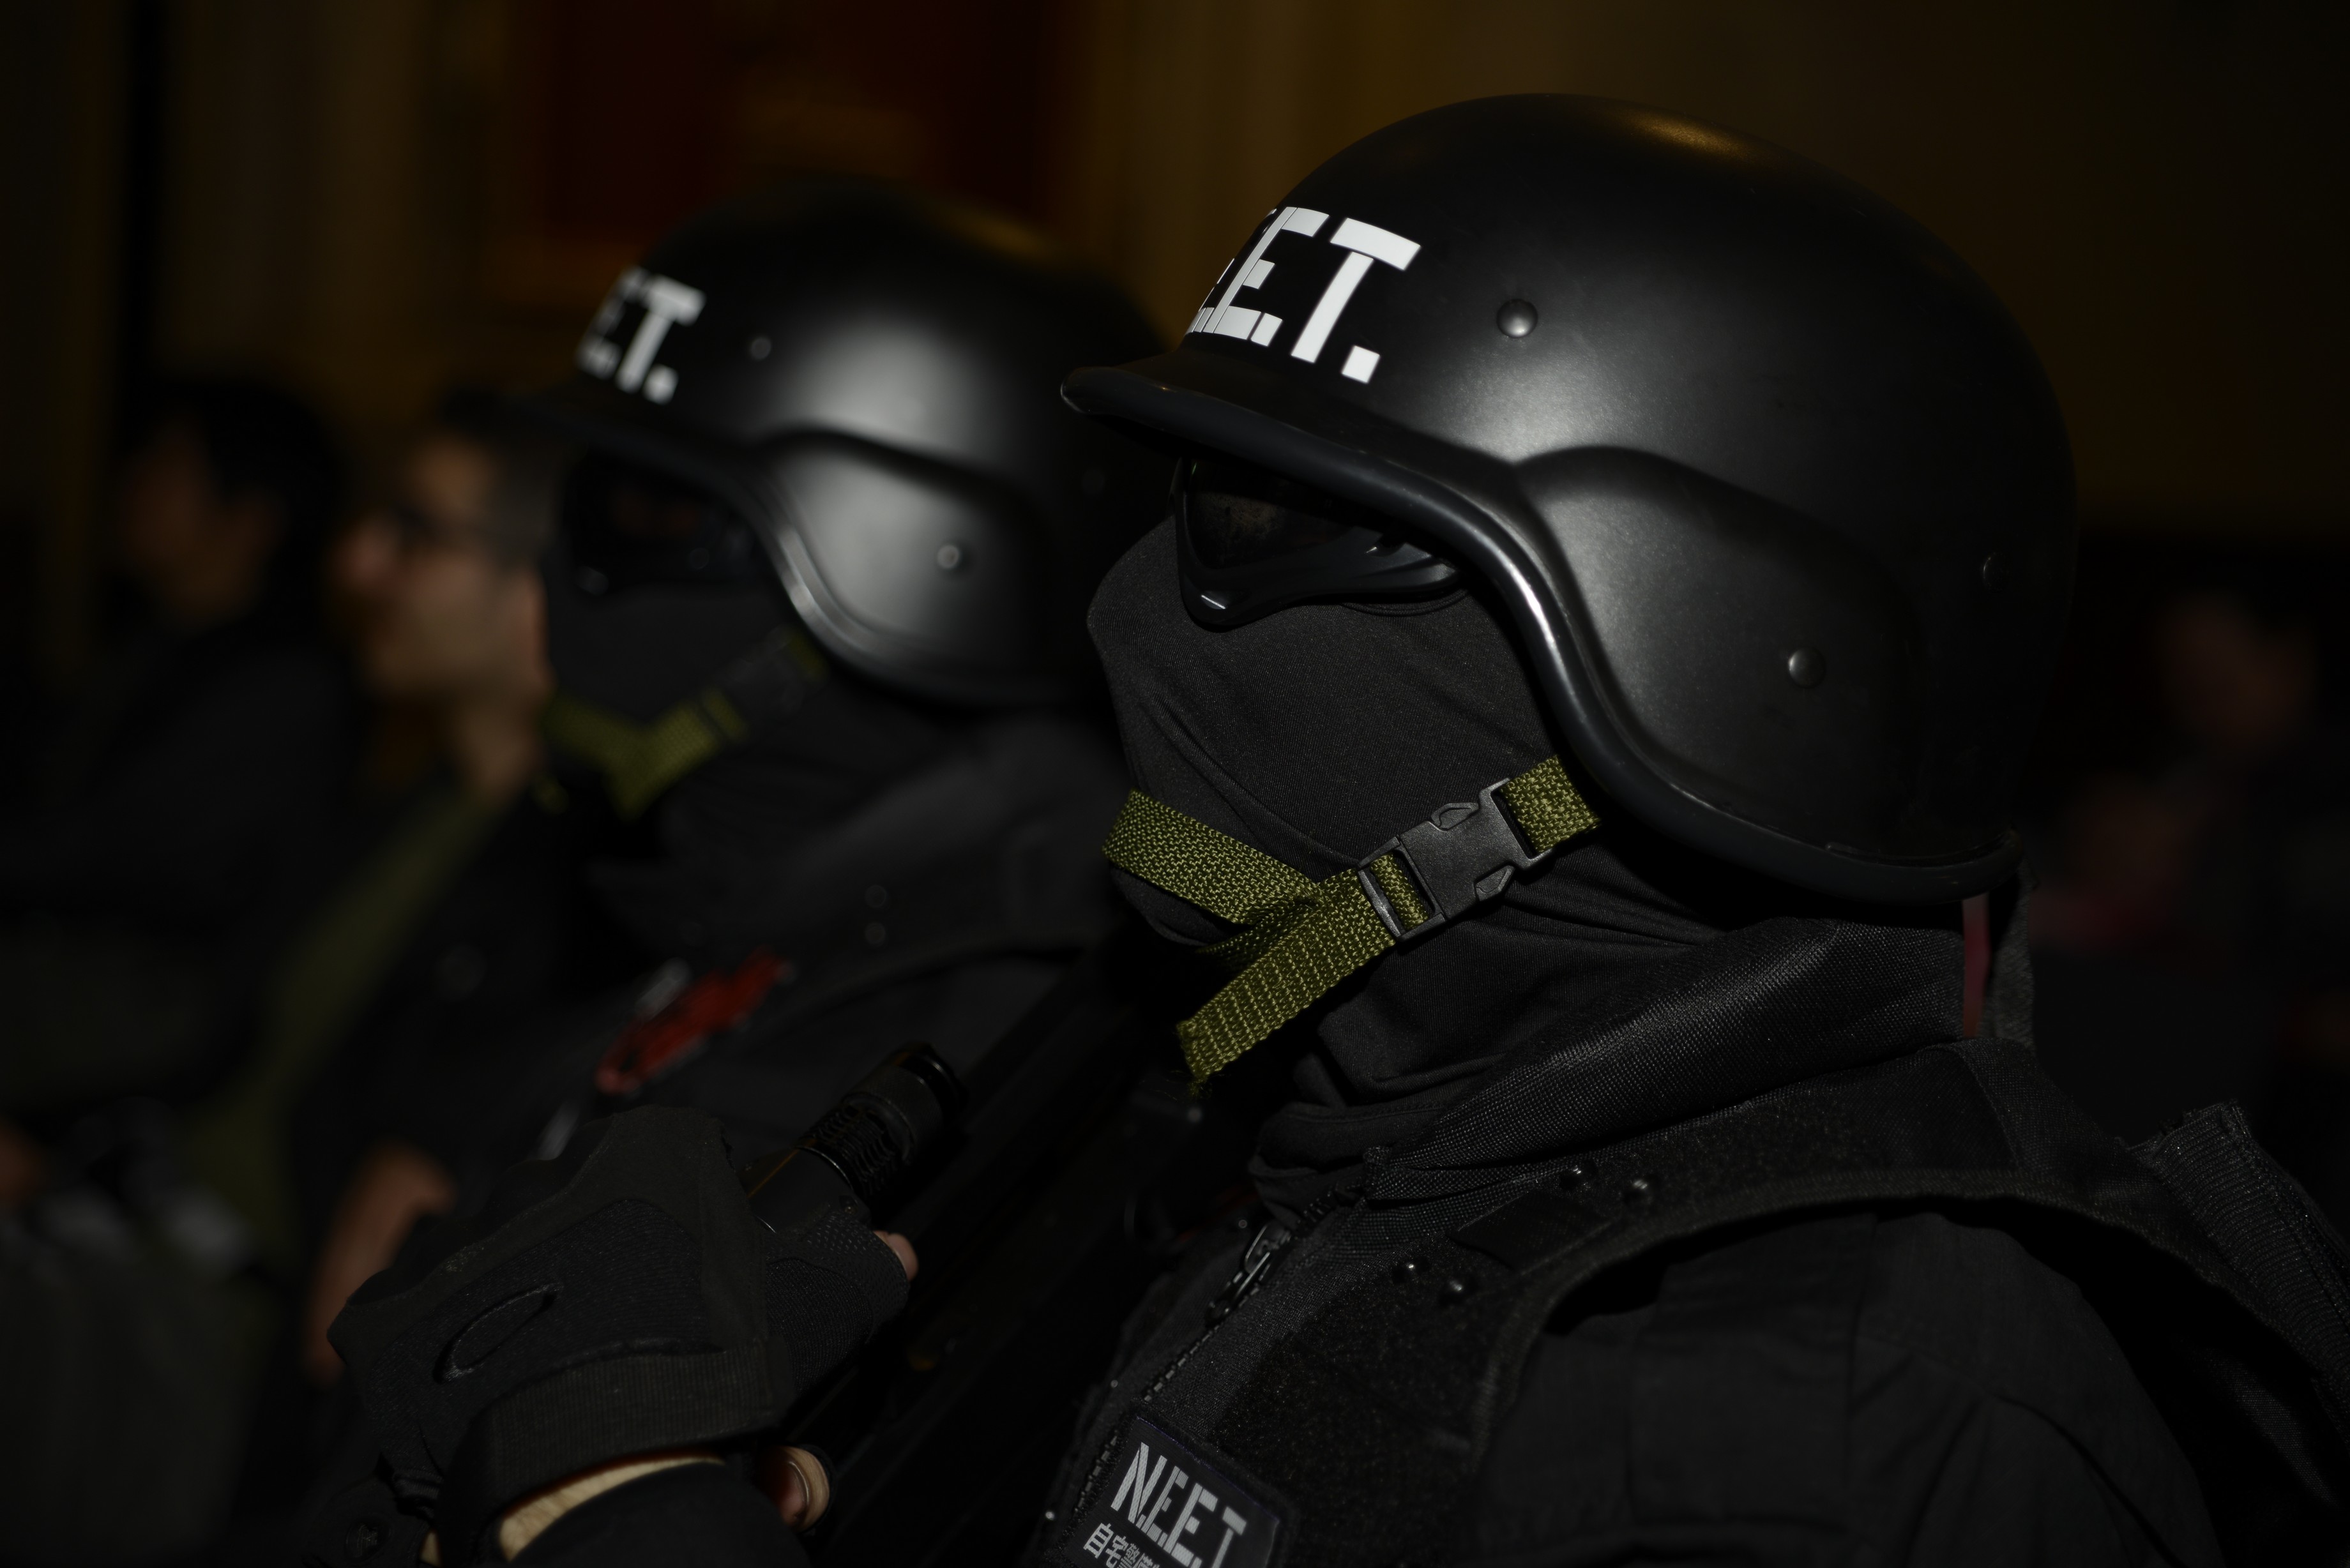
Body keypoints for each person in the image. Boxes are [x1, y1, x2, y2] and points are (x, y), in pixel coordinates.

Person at [317, 101, 2350, 1567]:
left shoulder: (1821, 1416)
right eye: (1189, 502)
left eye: (1271, 532)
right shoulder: (1363, 1098)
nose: (1137, 618)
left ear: (1703, 667)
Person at [0, 396, 607, 1565]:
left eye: (416, 534)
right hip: (126, 1226)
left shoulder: (576, 887)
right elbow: (214, 1045)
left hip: (223, 1360)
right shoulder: (408, 805)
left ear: (536, 598)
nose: (358, 563)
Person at [0, 376, 357, 1120]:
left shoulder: (283, 686)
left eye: (168, 465)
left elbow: (100, 851)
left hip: (143, 1041)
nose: (132, 483)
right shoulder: (155, 642)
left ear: (251, 517)